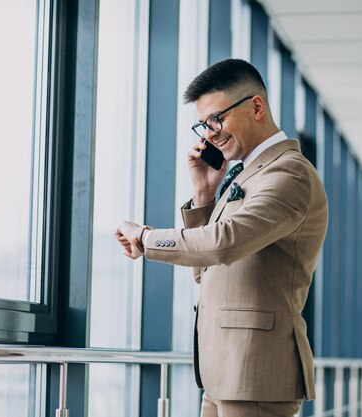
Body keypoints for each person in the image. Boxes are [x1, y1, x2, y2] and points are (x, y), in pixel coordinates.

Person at [115, 58, 328, 417]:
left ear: (256, 106)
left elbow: (223, 243)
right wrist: (204, 197)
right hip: (224, 372)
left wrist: (145, 238)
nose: (210, 133)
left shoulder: (290, 174)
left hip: (256, 375)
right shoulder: (248, 176)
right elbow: (207, 269)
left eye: (218, 119)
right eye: (204, 124)